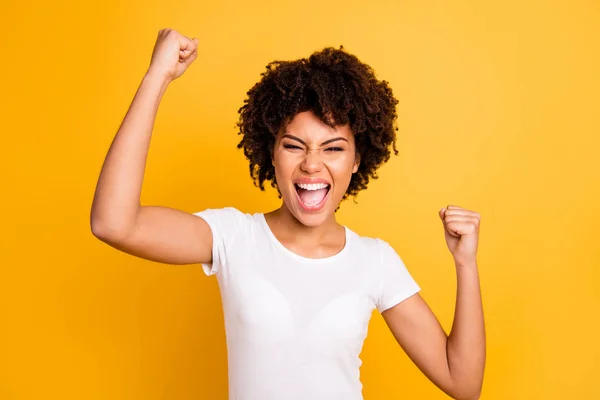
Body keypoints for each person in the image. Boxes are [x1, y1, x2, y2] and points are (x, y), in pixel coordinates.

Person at [90, 28, 485, 400]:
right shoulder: (234, 237)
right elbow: (114, 223)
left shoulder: (375, 260)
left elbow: (463, 383)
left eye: (333, 149)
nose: (312, 165)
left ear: (356, 161)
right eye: (295, 145)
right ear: (271, 153)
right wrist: (158, 76)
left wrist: (465, 263)